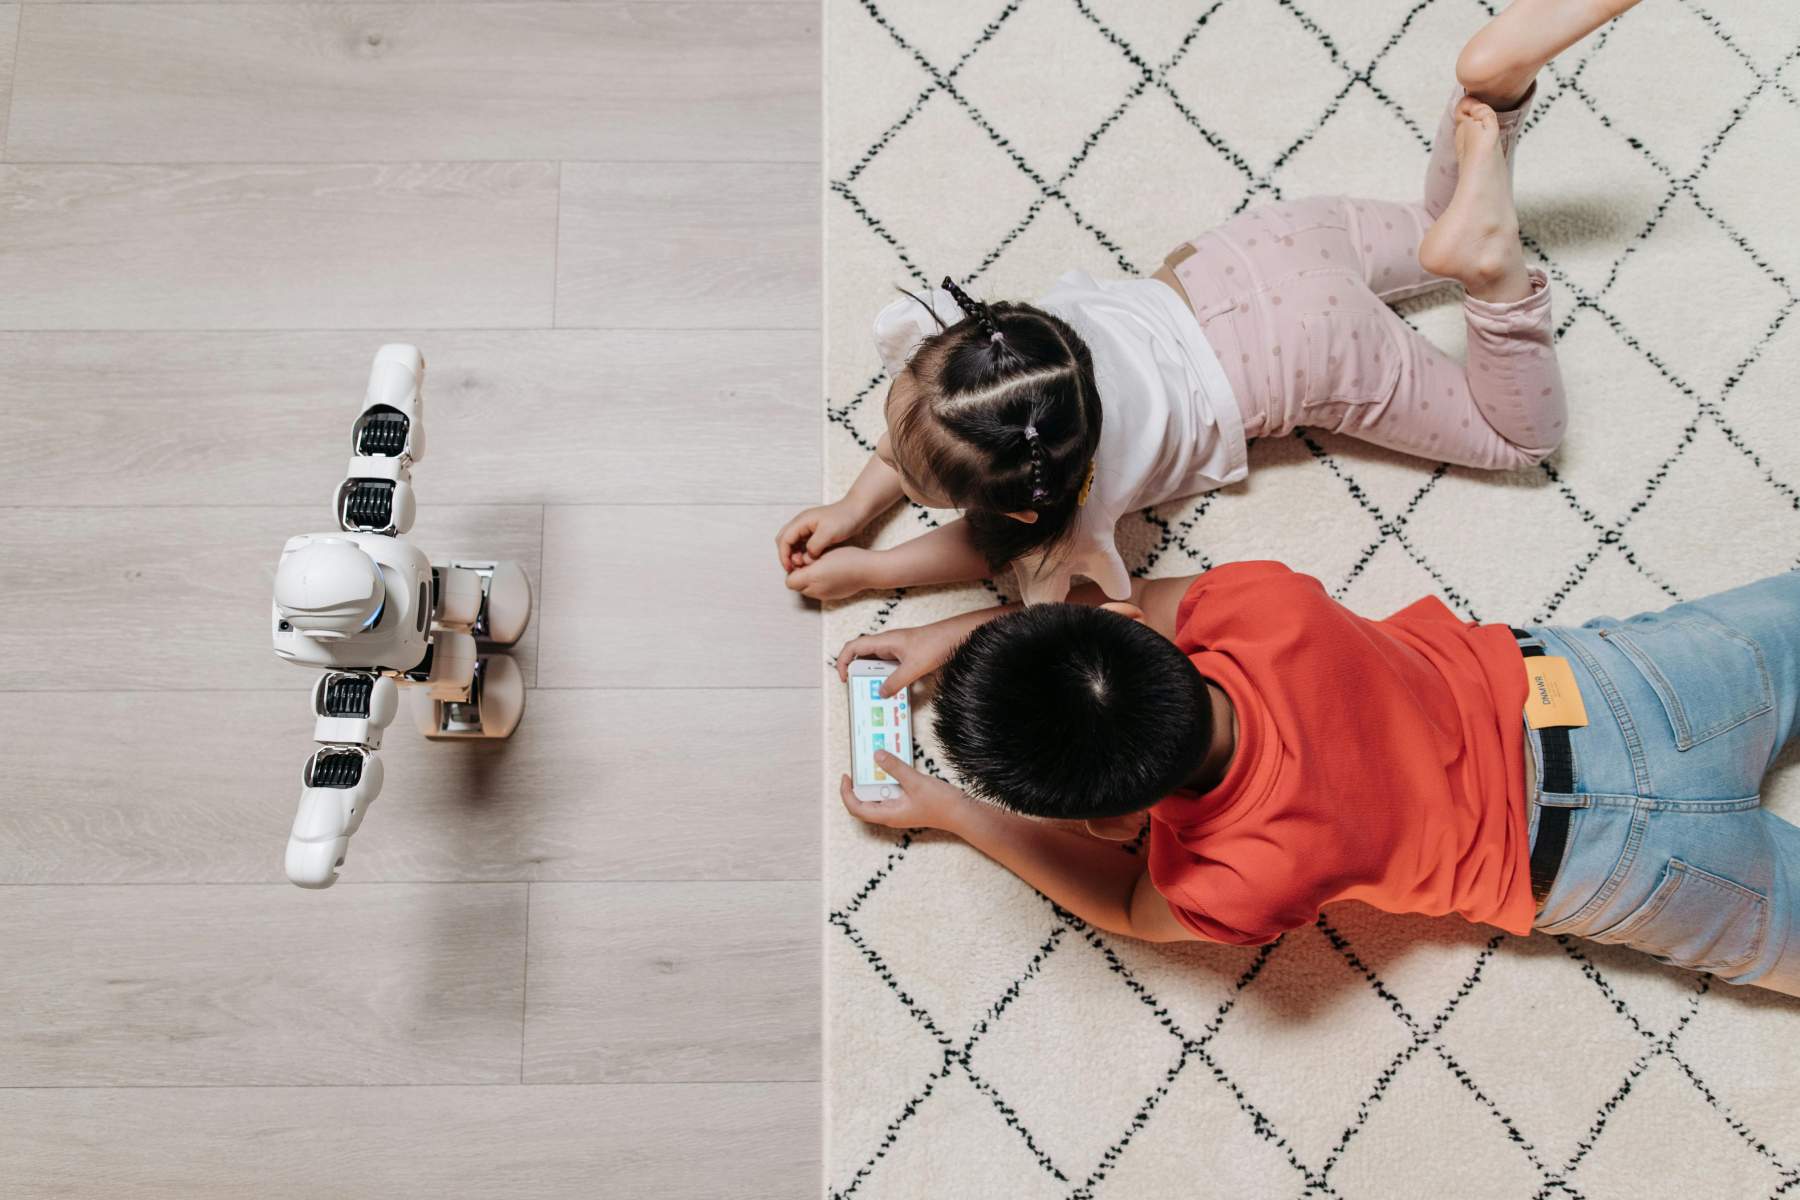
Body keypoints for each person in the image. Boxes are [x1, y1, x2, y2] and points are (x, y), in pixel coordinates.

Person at [779, 0, 1643, 606]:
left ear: (1017, 509)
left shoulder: (1063, 515)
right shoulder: (998, 353)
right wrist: (857, 508)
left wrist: (873, 569)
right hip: (1253, 252)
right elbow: (935, 420)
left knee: (1517, 438)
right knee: (1428, 227)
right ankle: (1494, 88)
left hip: (1305, 355)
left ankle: (1492, 275)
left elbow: (980, 549)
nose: (888, 457)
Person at [835, 563, 1800, 997]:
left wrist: (959, 814)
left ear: (1115, 818)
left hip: (1615, 866)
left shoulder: (1232, 881)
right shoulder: (1261, 603)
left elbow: (1127, 905)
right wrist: (951, 634)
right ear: (1130, 630)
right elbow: (1124, 607)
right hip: (1607, 693)